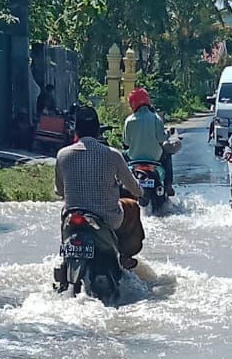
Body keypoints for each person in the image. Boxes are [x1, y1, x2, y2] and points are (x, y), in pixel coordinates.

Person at [55, 105, 145, 267]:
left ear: (76, 130)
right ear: (97, 130)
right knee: (132, 206)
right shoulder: (112, 154)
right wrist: (139, 191)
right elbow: (133, 187)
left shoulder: (62, 155)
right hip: (107, 218)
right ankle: (124, 256)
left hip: (71, 217)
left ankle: (64, 262)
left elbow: (59, 191)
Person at [123, 87, 174, 196]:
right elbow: (161, 138)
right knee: (168, 155)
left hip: (134, 158)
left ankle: (119, 184)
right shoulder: (156, 118)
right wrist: (168, 133)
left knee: (120, 157)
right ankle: (168, 186)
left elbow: (126, 142)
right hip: (155, 159)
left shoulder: (129, 120)